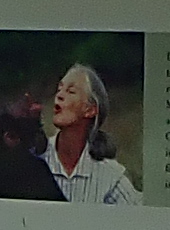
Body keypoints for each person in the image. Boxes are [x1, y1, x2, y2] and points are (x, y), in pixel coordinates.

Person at [39, 62, 141, 207]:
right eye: (59, 89)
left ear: (90, 110)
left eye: (70, 91)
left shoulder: (110, 176)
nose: (59, 95)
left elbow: (141, 217)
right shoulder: (36, 159)